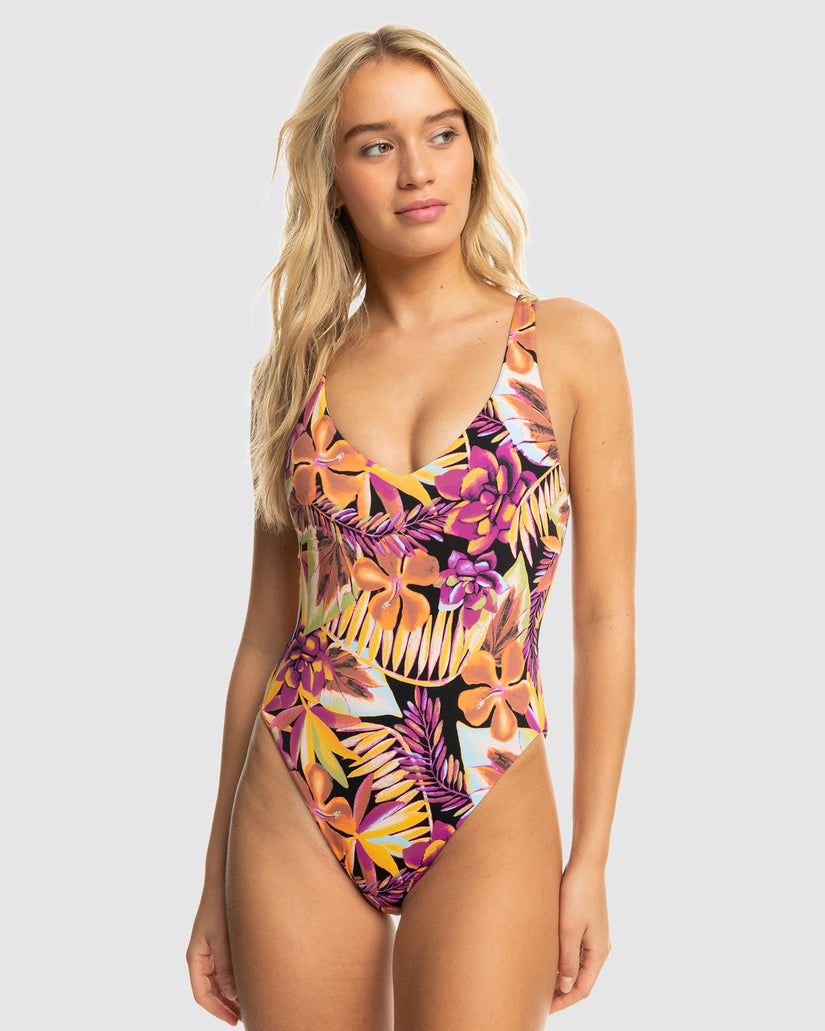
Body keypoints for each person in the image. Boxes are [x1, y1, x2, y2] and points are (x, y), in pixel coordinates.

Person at [186, 23, 635, 1031]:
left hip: (487, 778)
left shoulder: (566, 345)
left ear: (475, 144)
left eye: (441, 133)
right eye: (376, 144)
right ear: (333, 177)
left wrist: (593, 857)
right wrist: (213, 879)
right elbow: (264, 631)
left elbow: (605, 612)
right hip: (300, 779)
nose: (418, 170)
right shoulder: (296, 372)